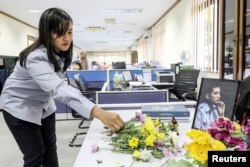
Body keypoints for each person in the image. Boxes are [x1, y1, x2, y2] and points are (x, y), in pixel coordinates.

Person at [0, 8, 124, 167]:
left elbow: (59, 83)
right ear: (47, 32)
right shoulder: (35, 57)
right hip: (19, 106)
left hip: (44, 105)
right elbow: (58, 88)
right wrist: (99, 112)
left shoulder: (60, 53)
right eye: (60, 33)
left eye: (70, 32)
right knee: (35, 155)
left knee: (50, 149)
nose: (67, 38)